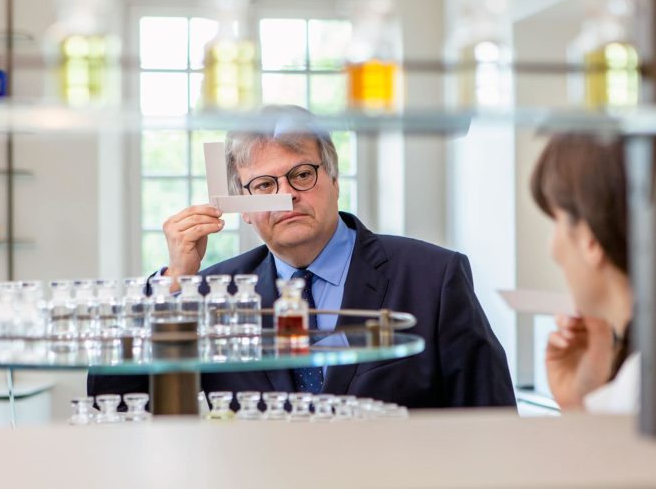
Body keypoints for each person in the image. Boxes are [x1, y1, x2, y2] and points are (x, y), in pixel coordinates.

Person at [89, 105, 515, 408]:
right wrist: (172, 284)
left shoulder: (432, 276)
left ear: (333, 178)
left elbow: (490, 416)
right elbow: (115, 403)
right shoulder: (209, 293)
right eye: (263, 186)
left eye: (302, 174)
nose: (288, 195)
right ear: (244, 209)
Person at [531, 133, 640, 413]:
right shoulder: (635, 379)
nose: (553, 249)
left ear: (590, 238)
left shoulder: (641, 384)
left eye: (556, 221)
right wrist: (582, 402)